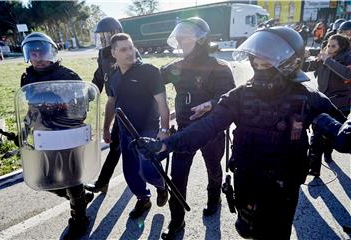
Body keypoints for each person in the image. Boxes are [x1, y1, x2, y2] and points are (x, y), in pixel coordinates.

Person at [134, 26, 346, 239]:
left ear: (288, 64)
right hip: (248, 180)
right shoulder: (240, 96)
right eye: (257, 63)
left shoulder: (307, 97)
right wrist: (166, 144)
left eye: (267, 64)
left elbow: (341, 131)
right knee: (246, 230)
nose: (260, 68)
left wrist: (339, 131)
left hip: (283, 186)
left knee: (277, 233)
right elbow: (207, 126)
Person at [159, 17, 235, 239]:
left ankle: (214, 197)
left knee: (213, 167)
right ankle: (177, 222)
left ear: (201, 39)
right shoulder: (176, 66)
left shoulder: (219, 66)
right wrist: (131, 66)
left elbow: (229, 96)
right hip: (184, 131)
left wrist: (210, 104)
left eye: (186, 37)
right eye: (180, 37)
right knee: (177, 177)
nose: (181, 41)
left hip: (210, 130)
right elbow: (153, 78)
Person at [20, 32, 94, 239]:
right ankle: (79, 197)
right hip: (45, 136)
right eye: (32, 53)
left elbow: (81, 110)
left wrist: (63, 105)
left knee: (71, 177)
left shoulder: (68, 76)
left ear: (50, 51)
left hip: (68, 135)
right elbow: (31, 108)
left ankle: (80, 219)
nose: (38, 57)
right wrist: (25, 129)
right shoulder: (28, 78)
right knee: (46, 180)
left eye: (41, 52)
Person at [103, 33, 170, 219]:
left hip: (147, 130)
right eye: (123, 49)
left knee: (148, 170)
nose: (130, 52)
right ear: (114, 52)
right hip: (125, 132)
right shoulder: (113, 76)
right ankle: (143, 199)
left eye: (131, 47)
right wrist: (106, 128)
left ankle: (162, 186)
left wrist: (164, 130)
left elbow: (163, 104)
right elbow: (111, 103)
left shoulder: (149, 71)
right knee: (130, 172)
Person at [85, 17, 142, 194]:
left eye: (107, 35)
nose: (104, 39)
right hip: (117, 108)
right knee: (115, 147)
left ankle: (145, 183)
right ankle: (103, 182)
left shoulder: (131, 53)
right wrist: (84, 98)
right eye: (101, 36)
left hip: (136, 109)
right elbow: (98, 80)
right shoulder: (102, 56)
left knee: (136, 149)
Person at [306, 34, 351, 175]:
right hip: (322, 102)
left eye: (333, 46)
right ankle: (314, 168)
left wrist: (328, 60)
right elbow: (309, 67)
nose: (330, 48)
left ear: (341, 47)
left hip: (340, 103)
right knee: (316, 134)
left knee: (334, 133)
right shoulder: (325, 56)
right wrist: (303, 58)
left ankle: (328, 151)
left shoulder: (347, 57)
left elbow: (347, 75)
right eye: (329, 45)